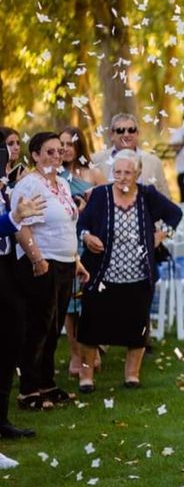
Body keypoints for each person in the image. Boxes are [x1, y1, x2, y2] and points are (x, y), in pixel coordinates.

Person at [76, 150, 182, 391]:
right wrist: (87, 237)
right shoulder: (100, 195)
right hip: (103, 272)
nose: (122, 177)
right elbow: (82, 224)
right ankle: (86, 376)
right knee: (91, 324)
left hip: (138, 273)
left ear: (138, 174)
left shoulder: (147, 195)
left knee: (137, 325)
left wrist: (161, 234)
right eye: (118, 172)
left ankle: (131, 375)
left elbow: (175, 214)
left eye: (128, 172)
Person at [11, 132, 90, 411]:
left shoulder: (63, 185)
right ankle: (29, 389)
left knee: (55, 325)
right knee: (39, 325)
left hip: (66, 261)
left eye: (60, 151)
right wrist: (36, 259)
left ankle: (47, 383)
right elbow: (21, 226)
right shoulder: (29, 185)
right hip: (42, 262)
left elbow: (67, 226)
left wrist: (76, 261)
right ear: (34, 155)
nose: (56, 156)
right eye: (49, 151)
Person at [59, 127, 105, 378]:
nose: (65, 148)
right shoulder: (54, 175)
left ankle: (93, 349)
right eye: (61, 143)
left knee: (89, 299)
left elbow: (107, 203)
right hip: (65, 240)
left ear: (79, 146)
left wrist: (88, 205)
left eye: (70, 143)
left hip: (87, 240)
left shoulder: (93, 173)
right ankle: (75, 353)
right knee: (70, 302)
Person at [0, 193, 47, 442]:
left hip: (6, 267)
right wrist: (14, 217)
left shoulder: (4, 190)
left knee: (11, 341)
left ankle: (2, 419)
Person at [91, 113, 171, 198]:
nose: (126, 134)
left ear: (137, 133)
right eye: (120, 130)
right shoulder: (96, 160)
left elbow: (165, 197)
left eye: (131, 130)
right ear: (111, 135)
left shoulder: (153, 162)